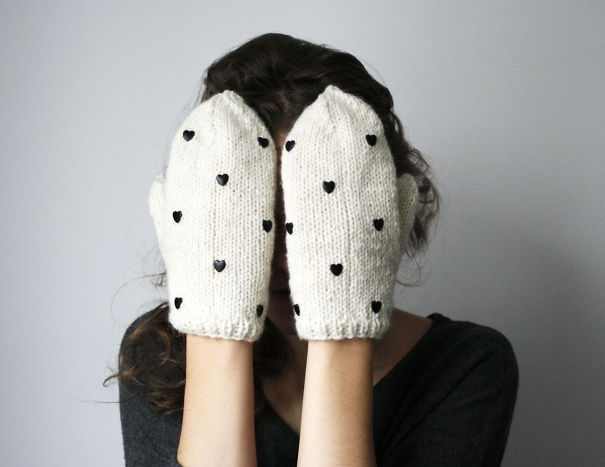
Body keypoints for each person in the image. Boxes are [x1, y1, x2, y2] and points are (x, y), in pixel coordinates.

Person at [108, 33, 519, 466]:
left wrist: (341, 324)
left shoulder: (467, 365)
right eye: (253, 221)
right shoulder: (159, 357)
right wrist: (217, 326)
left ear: (388, 217)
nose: (283, 260)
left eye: (313, 219)